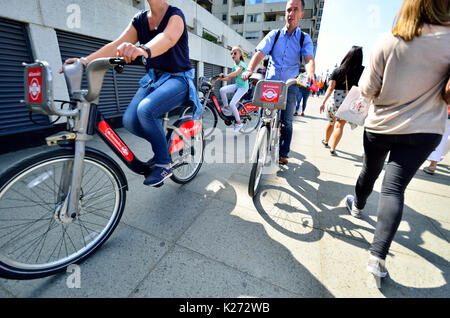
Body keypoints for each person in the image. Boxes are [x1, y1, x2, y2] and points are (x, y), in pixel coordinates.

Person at [344, 0, 450, 288]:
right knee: (394, 189)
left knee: (370, 170)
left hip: (382, 126)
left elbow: (367, 90)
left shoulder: (389, 40)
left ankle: (358, 206)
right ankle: (377, 259)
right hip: (426, 130)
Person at [62, 0, 201, 187]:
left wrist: (142, 50)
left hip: (178, 79)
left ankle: (164, 163)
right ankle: (164, 148)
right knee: (129, 120)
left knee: (145, 110)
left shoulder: (176, 15)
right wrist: (85, 61)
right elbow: (117, 44)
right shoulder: (140, 20)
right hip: (154, 79)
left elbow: (167, 39)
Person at [242, 0, 315, 165]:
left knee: (287, 121)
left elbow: (309, 58)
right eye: (289, 9)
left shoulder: (304, 38)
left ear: (301, 14)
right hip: (271, 85)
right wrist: (249, 69)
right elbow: (260, 53)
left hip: (290, 86)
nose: (291, 13)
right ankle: (262, 138)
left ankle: (283, 152)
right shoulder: (274, 35)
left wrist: (310, 73)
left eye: (295, 10)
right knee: (264, 118)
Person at [319, 46, 364, 155]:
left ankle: (326, 141)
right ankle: (333, 149)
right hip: (349, 100)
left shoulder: (338, 70)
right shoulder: (360, 70)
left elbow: (330, 88)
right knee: (340, 125)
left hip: (336, 99)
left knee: (331, 122)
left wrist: (323, 102)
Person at [218, 46, 249, 132]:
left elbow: (236, 73)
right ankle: (226, 107)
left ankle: (239, 123)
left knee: (233, 104)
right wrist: (220, 79)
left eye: (235, 53)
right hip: (237, 85)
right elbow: (228, 79)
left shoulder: (242, 64)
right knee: (222, 90)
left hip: (243, 87)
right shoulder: (234, 66)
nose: (233, 55)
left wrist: (225, 75)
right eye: (231, 53)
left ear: (240, 54)